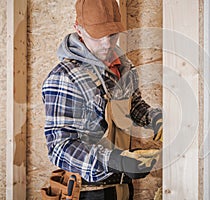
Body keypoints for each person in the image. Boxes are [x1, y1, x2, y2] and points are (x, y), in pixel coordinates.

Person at [41, 0, 162, 199]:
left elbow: (133, 106)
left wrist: (156, 119)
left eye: (112, 35)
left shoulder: (124, 68)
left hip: (123, 187)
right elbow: (60, 147)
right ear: (78, 29)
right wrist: (116, 160)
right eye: (98, 36)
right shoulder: (65, 76)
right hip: (89, 192)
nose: (107, 44)